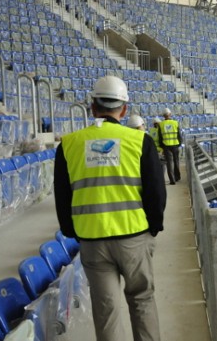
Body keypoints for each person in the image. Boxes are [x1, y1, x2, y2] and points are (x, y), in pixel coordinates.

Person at [53, 75, 166, 341]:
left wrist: (72, 230)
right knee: (142, 300)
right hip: (134, 238)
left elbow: (62, 196)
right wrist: (154, 227)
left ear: (93, 106)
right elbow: (156, 192)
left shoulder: (68, 145)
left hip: (92, 241)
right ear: (124, 109)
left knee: (106, 310)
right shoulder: (140, 141)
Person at [158, 108, 182, 185]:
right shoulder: (175, 123)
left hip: (166, 146)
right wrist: (179, 143)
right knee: (176, 161)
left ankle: (172, 180)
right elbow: (179, 135)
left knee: (169, 163)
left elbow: (160, 137)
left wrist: (162, 146)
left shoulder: (161, 124)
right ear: (170, 114)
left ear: (163, 116)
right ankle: (177, 177)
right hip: (175, 145)